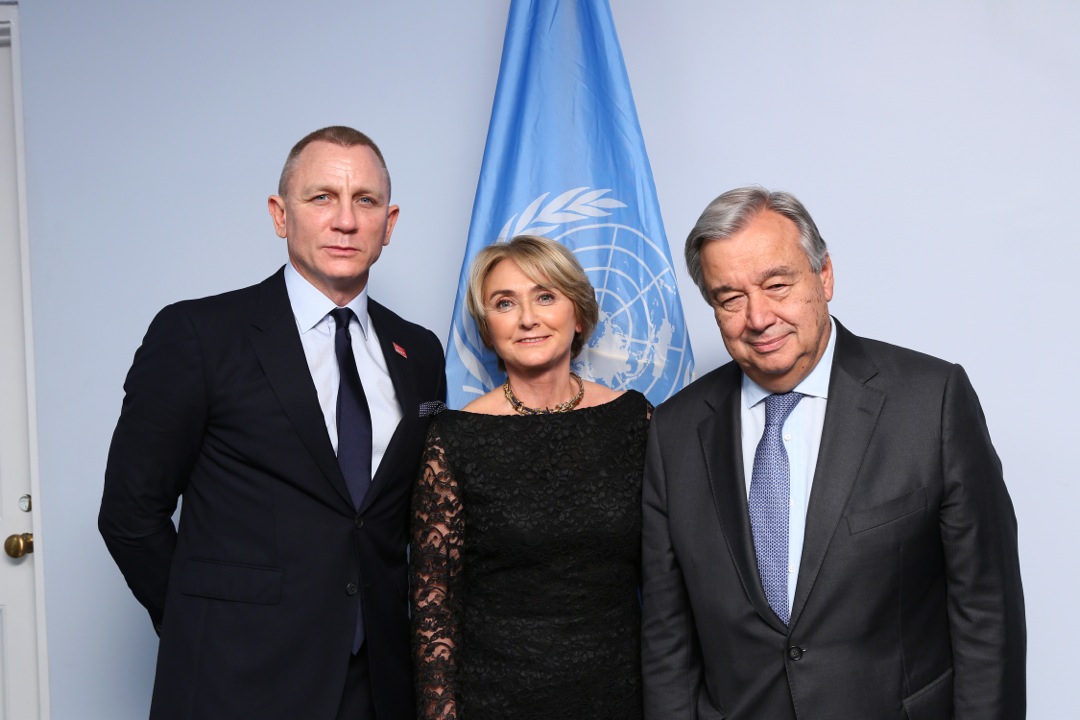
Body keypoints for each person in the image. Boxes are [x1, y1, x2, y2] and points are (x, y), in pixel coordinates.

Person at [99, 126, 446, 720]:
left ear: (388, 224)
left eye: (364, 201)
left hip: (379, 686)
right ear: (280, 215)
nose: (345, 221)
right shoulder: (199, 335)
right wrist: (201, 625)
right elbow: (130, 515)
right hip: (234, 679)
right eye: (321, 197)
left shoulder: (419, 351)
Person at [641, 187, 1025, 719]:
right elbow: (667, 640)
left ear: (824, 276)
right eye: (730, 299)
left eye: (777, 285)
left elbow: (987, 611)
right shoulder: (674, 432)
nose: (758, 317)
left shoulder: (930, 402)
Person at [410, 235, 651, 720]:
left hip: (621, 696)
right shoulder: (455, 437)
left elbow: (673, 577)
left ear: (578, 314)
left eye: (545, 296)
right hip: (495, 701)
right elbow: (434, 604)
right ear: (488, 328)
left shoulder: (633, 420)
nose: (527, 318)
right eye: (505, 303)